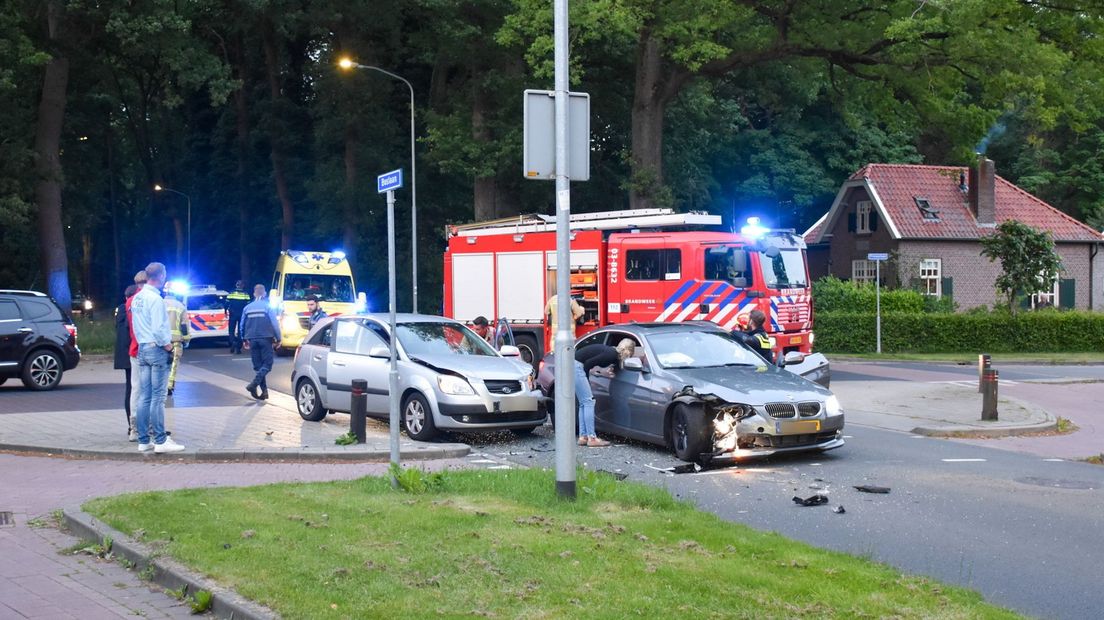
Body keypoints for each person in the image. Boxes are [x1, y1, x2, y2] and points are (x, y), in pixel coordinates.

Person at [131, 262, 186, 454]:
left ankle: (143, 439)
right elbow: (159, 328)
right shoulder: (155, 299)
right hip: (157, 349)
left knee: (144, 397)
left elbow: (138, 326)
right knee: (158, 397)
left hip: (143, 348)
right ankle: (161, 440)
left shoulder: (137, 298)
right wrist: (168, 346)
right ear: (161, 276)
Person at [573, 344, 623, 447]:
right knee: (589, 401)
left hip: (573, 365)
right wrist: (586, 380)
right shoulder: (611, 354)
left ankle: (583, 436)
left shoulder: (610, 352)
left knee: (584, 403)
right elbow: (588, 364)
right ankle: (592, 438)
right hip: (577, 367)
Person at [240, 284, 281, 400]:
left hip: (252, 339)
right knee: (267, 365)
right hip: (266, 338)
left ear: (254, 294)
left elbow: (242, 325)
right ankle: (253, 384)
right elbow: (275, 324)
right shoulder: (267, 307)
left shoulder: (247, 308)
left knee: (258, 366)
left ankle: (264, 392)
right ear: (265, 294)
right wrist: (279, 338)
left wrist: (243, 339)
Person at [125, 270, 148, 442]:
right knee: (153, 391)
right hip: (149, 349)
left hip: (134, 349)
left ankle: (134, 428)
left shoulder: (130, 301)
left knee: (136, 389)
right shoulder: (150, 299)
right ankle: (150, 427)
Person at [114, 285, 138, 441]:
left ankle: (132, 426)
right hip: (132, 353)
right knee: (134, 390)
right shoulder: (128, 308)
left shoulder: (121, 309)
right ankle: (134, 426)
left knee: (131, 389)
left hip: (126, 353)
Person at [164, 288, 190, 396]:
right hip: (176, 341)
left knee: (161, 365)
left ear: (165, 292)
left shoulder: (159, 303)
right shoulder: (180, 306)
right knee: (173, 365)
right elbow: (184, 325)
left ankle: (161, 386)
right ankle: (169, 387)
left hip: (161, 341)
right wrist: (186, 339)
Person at [225, 280, 250, 354]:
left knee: (231, 330)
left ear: (236, 285)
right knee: (240, 331)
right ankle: (238, 348)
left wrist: (225, 311)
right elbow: (248, 306)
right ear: (243, 286)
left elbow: (226, 303)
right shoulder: (246, 294)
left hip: (232, 314)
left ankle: (232, 343)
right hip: (242, 315)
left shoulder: (231, 293)